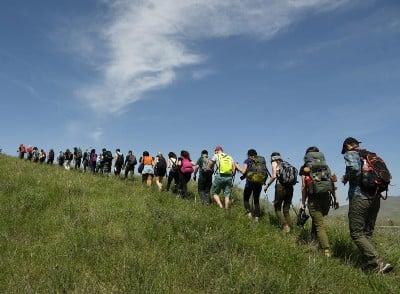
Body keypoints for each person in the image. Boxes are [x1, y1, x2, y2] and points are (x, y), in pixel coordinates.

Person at [341, 137, 393, 273]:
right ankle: (371, 264)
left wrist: (346, 177)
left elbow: (353, 169)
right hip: (375, 197)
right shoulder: (370, 155)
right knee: (367, 233)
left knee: (356, 233)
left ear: (347, 146)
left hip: (360, 197)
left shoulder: (351, 153)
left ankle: (378, 262)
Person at [300, 146, 339, 257]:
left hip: (314, 199)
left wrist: (303, 203)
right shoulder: (326, 167)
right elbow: (332, 183)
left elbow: (303, 187)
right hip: (327, 198)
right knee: (317, 221)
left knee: (319, 225)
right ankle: (313, 241)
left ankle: (326, 250)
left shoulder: (305, 168)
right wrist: (335, 199)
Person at [264, 152, 293, 233]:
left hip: (280, 187)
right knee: (286, 210)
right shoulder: (286, 163)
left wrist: (267, 185)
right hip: (290, 187)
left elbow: (273, 176)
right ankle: (290, 229)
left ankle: (285, 225)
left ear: (273, 158)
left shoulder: (274, 162)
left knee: (277, 208)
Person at [236, 149, 263, 221]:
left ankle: (249, 214)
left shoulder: (247, 161)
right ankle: (257, 218)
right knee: (256, 201)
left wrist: (237, 166)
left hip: (249, 183)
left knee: (246, 199)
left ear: (248, 155)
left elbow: (243, 172)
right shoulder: (260, 161)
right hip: (259, 183)